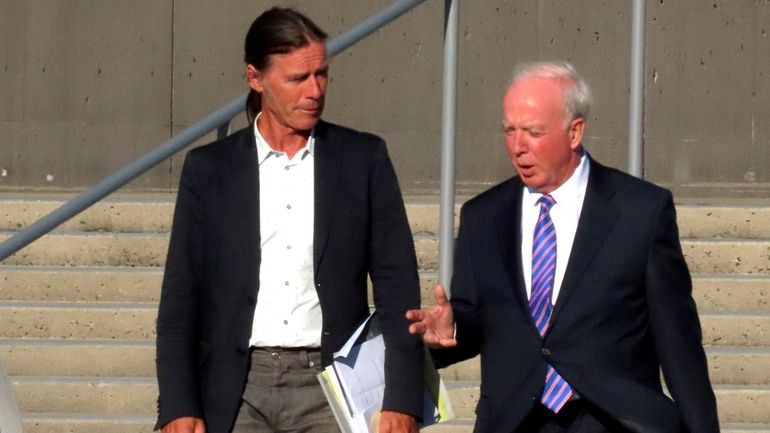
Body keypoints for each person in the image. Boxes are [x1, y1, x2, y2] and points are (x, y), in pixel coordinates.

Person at [406, 61, 719, 433]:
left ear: (575, 132)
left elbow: (679, 344)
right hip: (514, 421)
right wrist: (452, 326)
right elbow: (481, 320)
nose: (518, 147)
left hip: (612, 421)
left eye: (533, 132)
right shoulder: (483, 217)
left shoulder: (640, 212)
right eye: (509, 131)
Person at [156, 7, 423, 433]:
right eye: (297, 78)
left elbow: (398, 287)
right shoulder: (210, 170)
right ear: (255, 77)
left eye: (321, 74)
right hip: (235, 390)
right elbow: (180, 299)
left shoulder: (362, 160)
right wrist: (176, 404)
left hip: (333, 384)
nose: (314, 90)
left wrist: (403, 396)